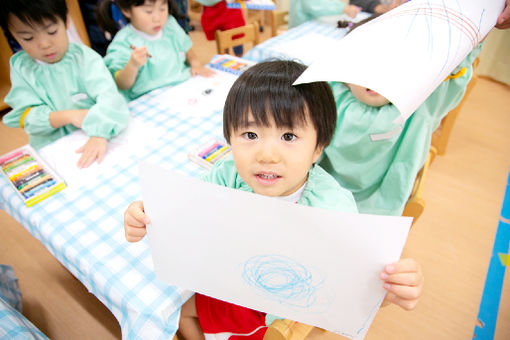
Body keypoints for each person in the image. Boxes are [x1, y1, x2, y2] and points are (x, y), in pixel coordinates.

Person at [124, 60, 424, 339]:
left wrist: (387, 290)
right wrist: (146, 217)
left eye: (289, 137)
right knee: (175, 314)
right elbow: (186, 208)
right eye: (250, 134)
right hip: (227, 280)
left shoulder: (332, 208)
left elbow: (355, 284)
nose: (267, 155)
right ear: (229, 137)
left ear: (318, 147)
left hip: (279, 308)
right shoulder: (228, 173)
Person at [322, 16, 484, 215]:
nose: (374, 77)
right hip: (323, 196)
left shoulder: (420, 107)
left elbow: (456, 66)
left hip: (377, 209)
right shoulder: (332, 94)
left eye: (389, 66)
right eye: (361, 66)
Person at [0, 0, 129, 168]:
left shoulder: (85, 59)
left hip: (93, 137)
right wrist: (69, 116)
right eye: (28, 38)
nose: (44, 44)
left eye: (52, 32)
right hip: (51, 149)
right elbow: (27, 116)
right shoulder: (20, 67)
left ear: (66, 21)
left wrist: (99, 133)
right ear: (12, 34)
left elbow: (111, 99)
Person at [96, 0, 214, 101]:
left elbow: (186, 47)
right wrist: (132, 65)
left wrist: (195, 63)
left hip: (181, 89)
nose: (157, 18)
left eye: (163, 8)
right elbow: (121, 84)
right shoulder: (123, 42)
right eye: (149, 11)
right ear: (126, 11)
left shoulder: (169, 25)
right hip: (147, 99)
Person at [289, 0, 361, 29]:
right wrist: (343, 8)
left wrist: (344, 7)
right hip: (300, 28)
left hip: (313, 25)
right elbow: (313, 6)